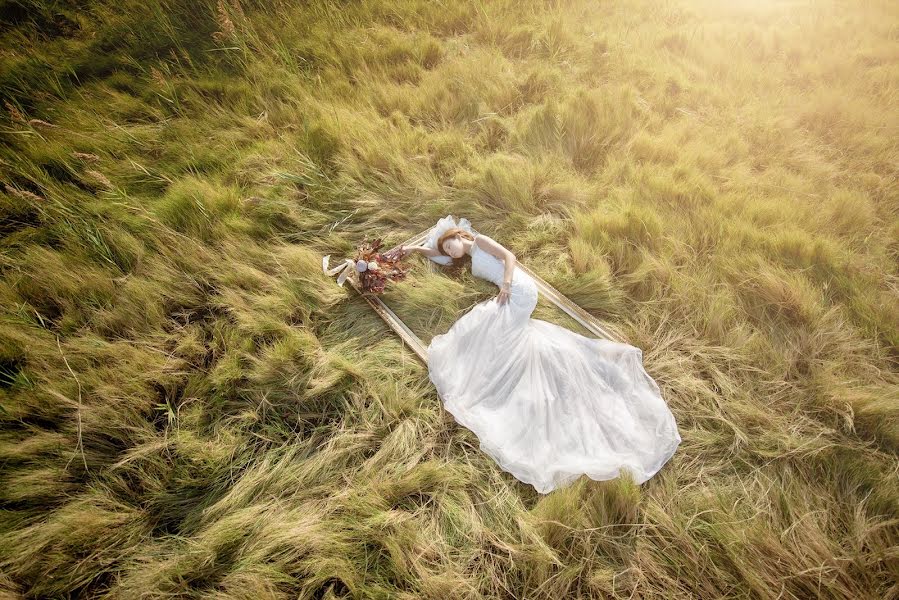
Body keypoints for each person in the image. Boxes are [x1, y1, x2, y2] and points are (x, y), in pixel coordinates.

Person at [391, 215, 682, 494]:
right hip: (508, 293)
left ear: (457, 235)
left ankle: (487, 368)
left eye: (450, 244)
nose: (450, 251)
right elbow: (435, 255)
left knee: (487, 324)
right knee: (494, 329)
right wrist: (411, 249)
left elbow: (510, 257)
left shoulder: (480, 242)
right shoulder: (461, 257)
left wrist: (505, 285)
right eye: (447, 250)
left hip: (519, 289)